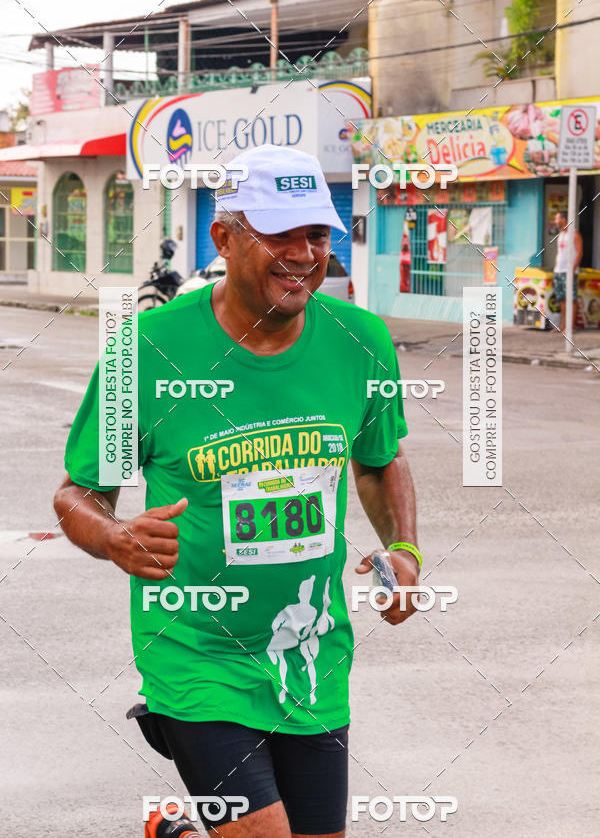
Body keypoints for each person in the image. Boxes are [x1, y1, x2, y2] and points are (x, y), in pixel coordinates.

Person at [54, 144, 420, 838]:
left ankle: (177, 834)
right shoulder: (145, 350)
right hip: (196, 650)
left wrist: (403, 548)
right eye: (278, 233)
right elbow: (80, 492)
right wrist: (110, 536)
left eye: (316, 234)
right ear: (224, 237)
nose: (303, 253)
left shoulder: (361, 340)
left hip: (310, 654)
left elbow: (378, 460)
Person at [553, 209, 583, 331]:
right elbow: (559, 253)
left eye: (557, 218)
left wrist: (572, 270)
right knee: (562, 299)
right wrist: (556, 268)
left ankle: (571, 327)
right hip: (559, 271)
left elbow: (579, 253)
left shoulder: (575, 234)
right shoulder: (561, 234)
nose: (555, 221)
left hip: (569, 272)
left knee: (571, 298)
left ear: (563, 219)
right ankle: (563, 325)